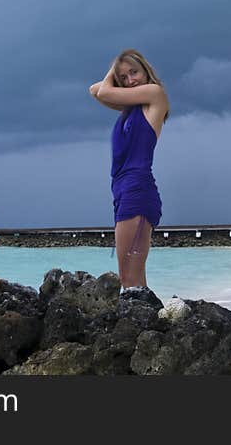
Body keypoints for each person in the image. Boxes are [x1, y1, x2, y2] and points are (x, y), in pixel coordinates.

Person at [89, 49, 169, 292]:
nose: (130, 80)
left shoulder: (155, 94)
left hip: (137, 188)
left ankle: (142, 324)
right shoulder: (130, 109)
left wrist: (116, 67)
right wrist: (117, 69)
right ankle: (149, 325)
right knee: (134, 280)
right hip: (122, 191)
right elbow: (94, 90)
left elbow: (102, 90)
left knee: (129, 279)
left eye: (134, 72)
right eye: (123, 78)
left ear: (146, 70)